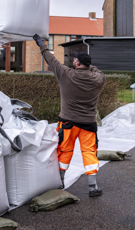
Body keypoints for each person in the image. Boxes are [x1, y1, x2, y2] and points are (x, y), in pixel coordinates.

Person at [33, 34, 106, 197]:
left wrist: (41, 44)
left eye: (75, 60)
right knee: (89, 152)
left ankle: (60, 182)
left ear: (77, 63)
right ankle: (93, 186)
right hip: (88, 123)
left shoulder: (66, 74)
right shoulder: (98, 79)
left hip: (68, 123)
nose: (73, 61)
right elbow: (96, 70)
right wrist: (88, 65)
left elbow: (50, 59)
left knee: (65, 152)